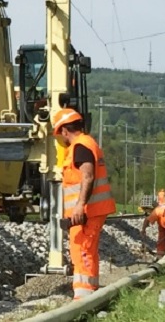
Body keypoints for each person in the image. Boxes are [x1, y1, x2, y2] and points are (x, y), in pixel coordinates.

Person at [53, 108, 117, 300]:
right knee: (86, 250)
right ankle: (90, 293)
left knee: (82, 250)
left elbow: (87, 177)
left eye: (60, 134)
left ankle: (83, 298)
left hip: (86, 211)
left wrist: (79, 206)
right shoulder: (87, 144)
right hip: (90, 210)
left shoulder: (80, 146)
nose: (61, 139)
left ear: (65, 130)